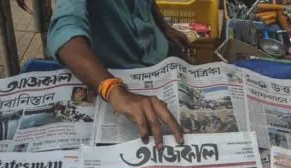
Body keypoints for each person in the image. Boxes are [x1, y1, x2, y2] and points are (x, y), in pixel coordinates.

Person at [48, 0, 187, 149]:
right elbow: (65, 32)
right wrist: (112, 89)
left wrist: (164, 26)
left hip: (159, 53)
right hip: (111, 73)